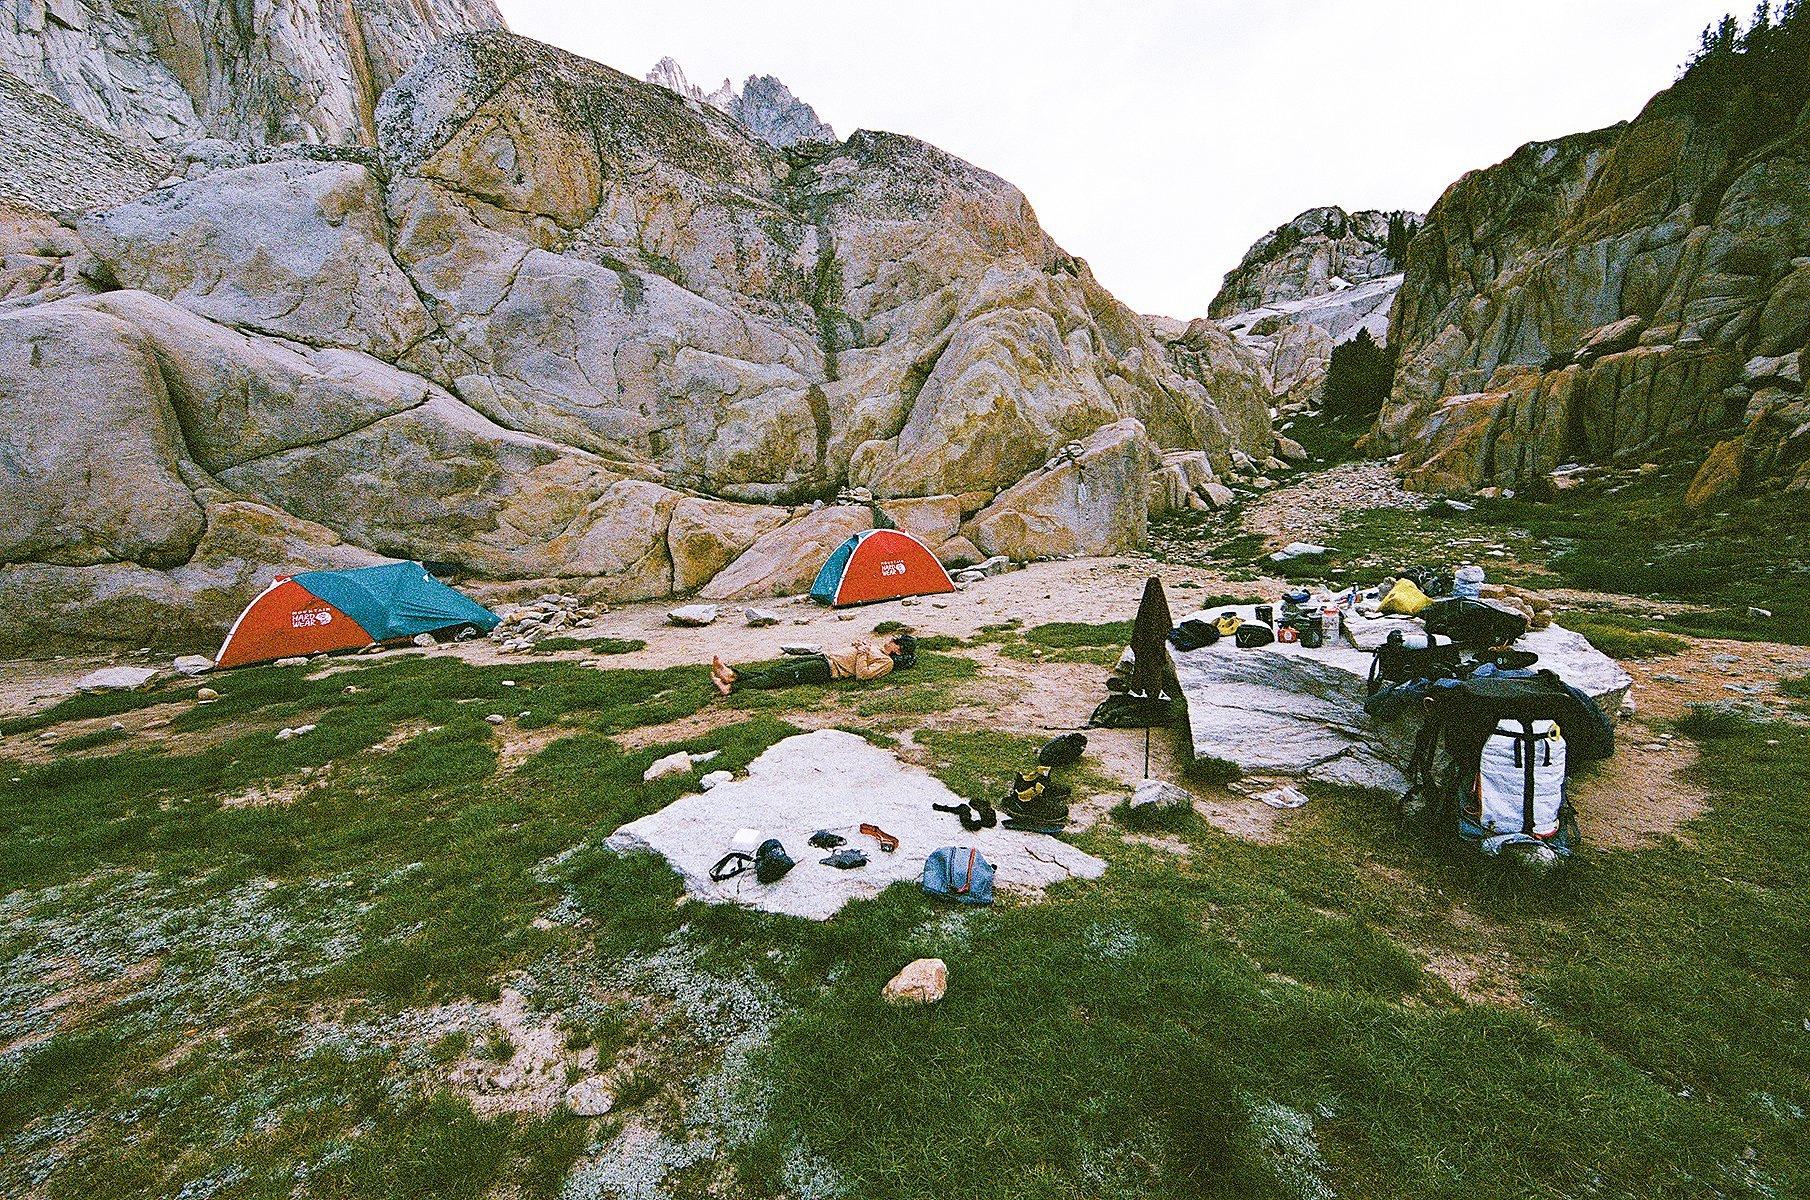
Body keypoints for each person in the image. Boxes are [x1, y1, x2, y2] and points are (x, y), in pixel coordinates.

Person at [711, 634, 917, 696]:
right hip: (824, 658)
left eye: (894, 641)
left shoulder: (887, 662)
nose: (890, 639)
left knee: (781, 677)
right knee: (779, 669)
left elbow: (863, 675)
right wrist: (859, 646)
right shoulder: (879, 650)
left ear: (898, 650)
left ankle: (732, 687)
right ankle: (731, 675)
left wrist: (862, 652)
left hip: (828, 670)